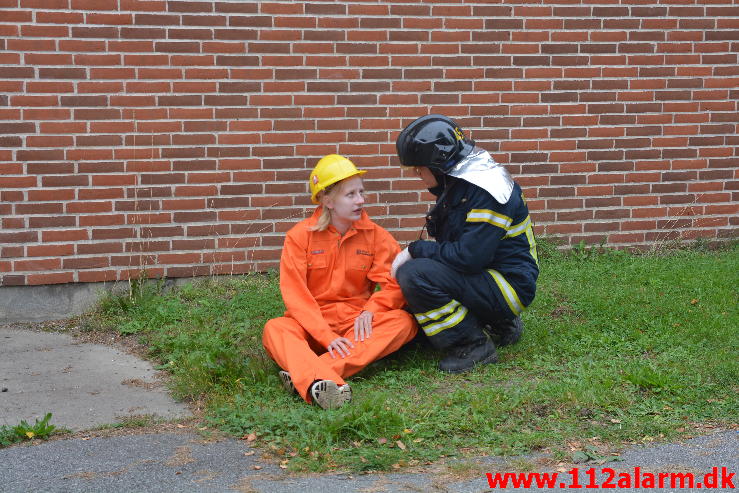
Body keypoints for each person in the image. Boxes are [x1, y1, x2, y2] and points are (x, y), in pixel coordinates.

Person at [262, 154, 418, 409]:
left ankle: (311, 374)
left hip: (353, 326)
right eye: (351, 194)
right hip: (311, 324)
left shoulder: (377, 236)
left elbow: (394, 284)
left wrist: (372, 310)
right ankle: (318, 378)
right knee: (276, 329)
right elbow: (295, 295)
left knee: (403, 323)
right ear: (327, 200)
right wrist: (324, 335)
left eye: (361, 192)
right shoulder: (299, 237)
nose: (361, 200)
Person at [391, 114, 539, 373]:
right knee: (417, 303)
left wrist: (416, 250)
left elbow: (468, 257)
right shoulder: (460, 185)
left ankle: (474, 346)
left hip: (509, 286)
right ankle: (499, 322)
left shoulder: (486, 191)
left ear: (437, 164)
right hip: (489, 276)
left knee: (414, 275)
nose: (417, 174)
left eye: (419, 168)